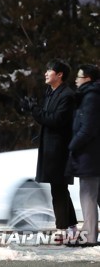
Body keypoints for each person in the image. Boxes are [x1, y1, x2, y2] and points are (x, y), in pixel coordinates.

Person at [22, 59, 78, 243]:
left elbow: (55, 120)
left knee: (58, 189)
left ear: (59, 75)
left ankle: (62, 229)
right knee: (60, 188)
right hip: (51, 148)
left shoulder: (67, 95)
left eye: (49, 70)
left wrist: (35, 110)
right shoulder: (51, 93)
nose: (46, 73)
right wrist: (34, 109)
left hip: (59, 149)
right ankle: (71, 226)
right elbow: (47, 117)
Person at [65, 64, 100, 247]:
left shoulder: (91, 97)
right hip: (91, 154)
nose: (76, 80)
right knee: (91, 195)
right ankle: (89, 234)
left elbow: (87, 128)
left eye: (79, 77)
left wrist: (73, 145)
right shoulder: (88, 96)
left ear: (88, 79)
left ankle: (90, 237)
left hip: (90, 155)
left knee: (88, 195)